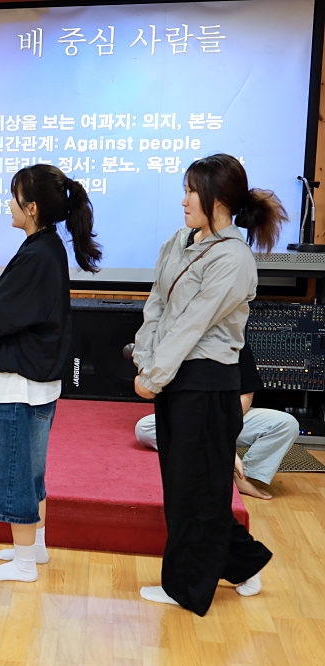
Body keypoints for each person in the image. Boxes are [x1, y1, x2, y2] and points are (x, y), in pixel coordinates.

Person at [132, 153, 284, 616]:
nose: (183, 201)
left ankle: (186, 586)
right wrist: (145, 358)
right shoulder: (178, 242)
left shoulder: (233, 258)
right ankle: (244, 562)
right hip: (174, 379)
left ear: (218, 200)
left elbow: (192, 325)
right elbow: (157, 304)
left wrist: (153, 376)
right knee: (189, 487)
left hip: (206, 383)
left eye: (191, 191)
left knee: (197, 489)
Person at [0, 164, 102, 583]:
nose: (8, 204)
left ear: (31, 208)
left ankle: (24, 563)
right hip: (35, 379)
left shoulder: (38, 254)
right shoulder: (45, 248)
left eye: (14, 197)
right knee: (30, 470)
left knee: (15, 472)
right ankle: (35, 548)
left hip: (22, 382)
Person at [135, 343, 298, 500]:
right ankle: (217, 462)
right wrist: (222, 444)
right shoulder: (182, 345)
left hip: (231, 416)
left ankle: (245, 477)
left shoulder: (237, 345)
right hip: (190, 418)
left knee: (286, 424)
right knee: (144, 428)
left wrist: (224, 431)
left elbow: (246, 395)